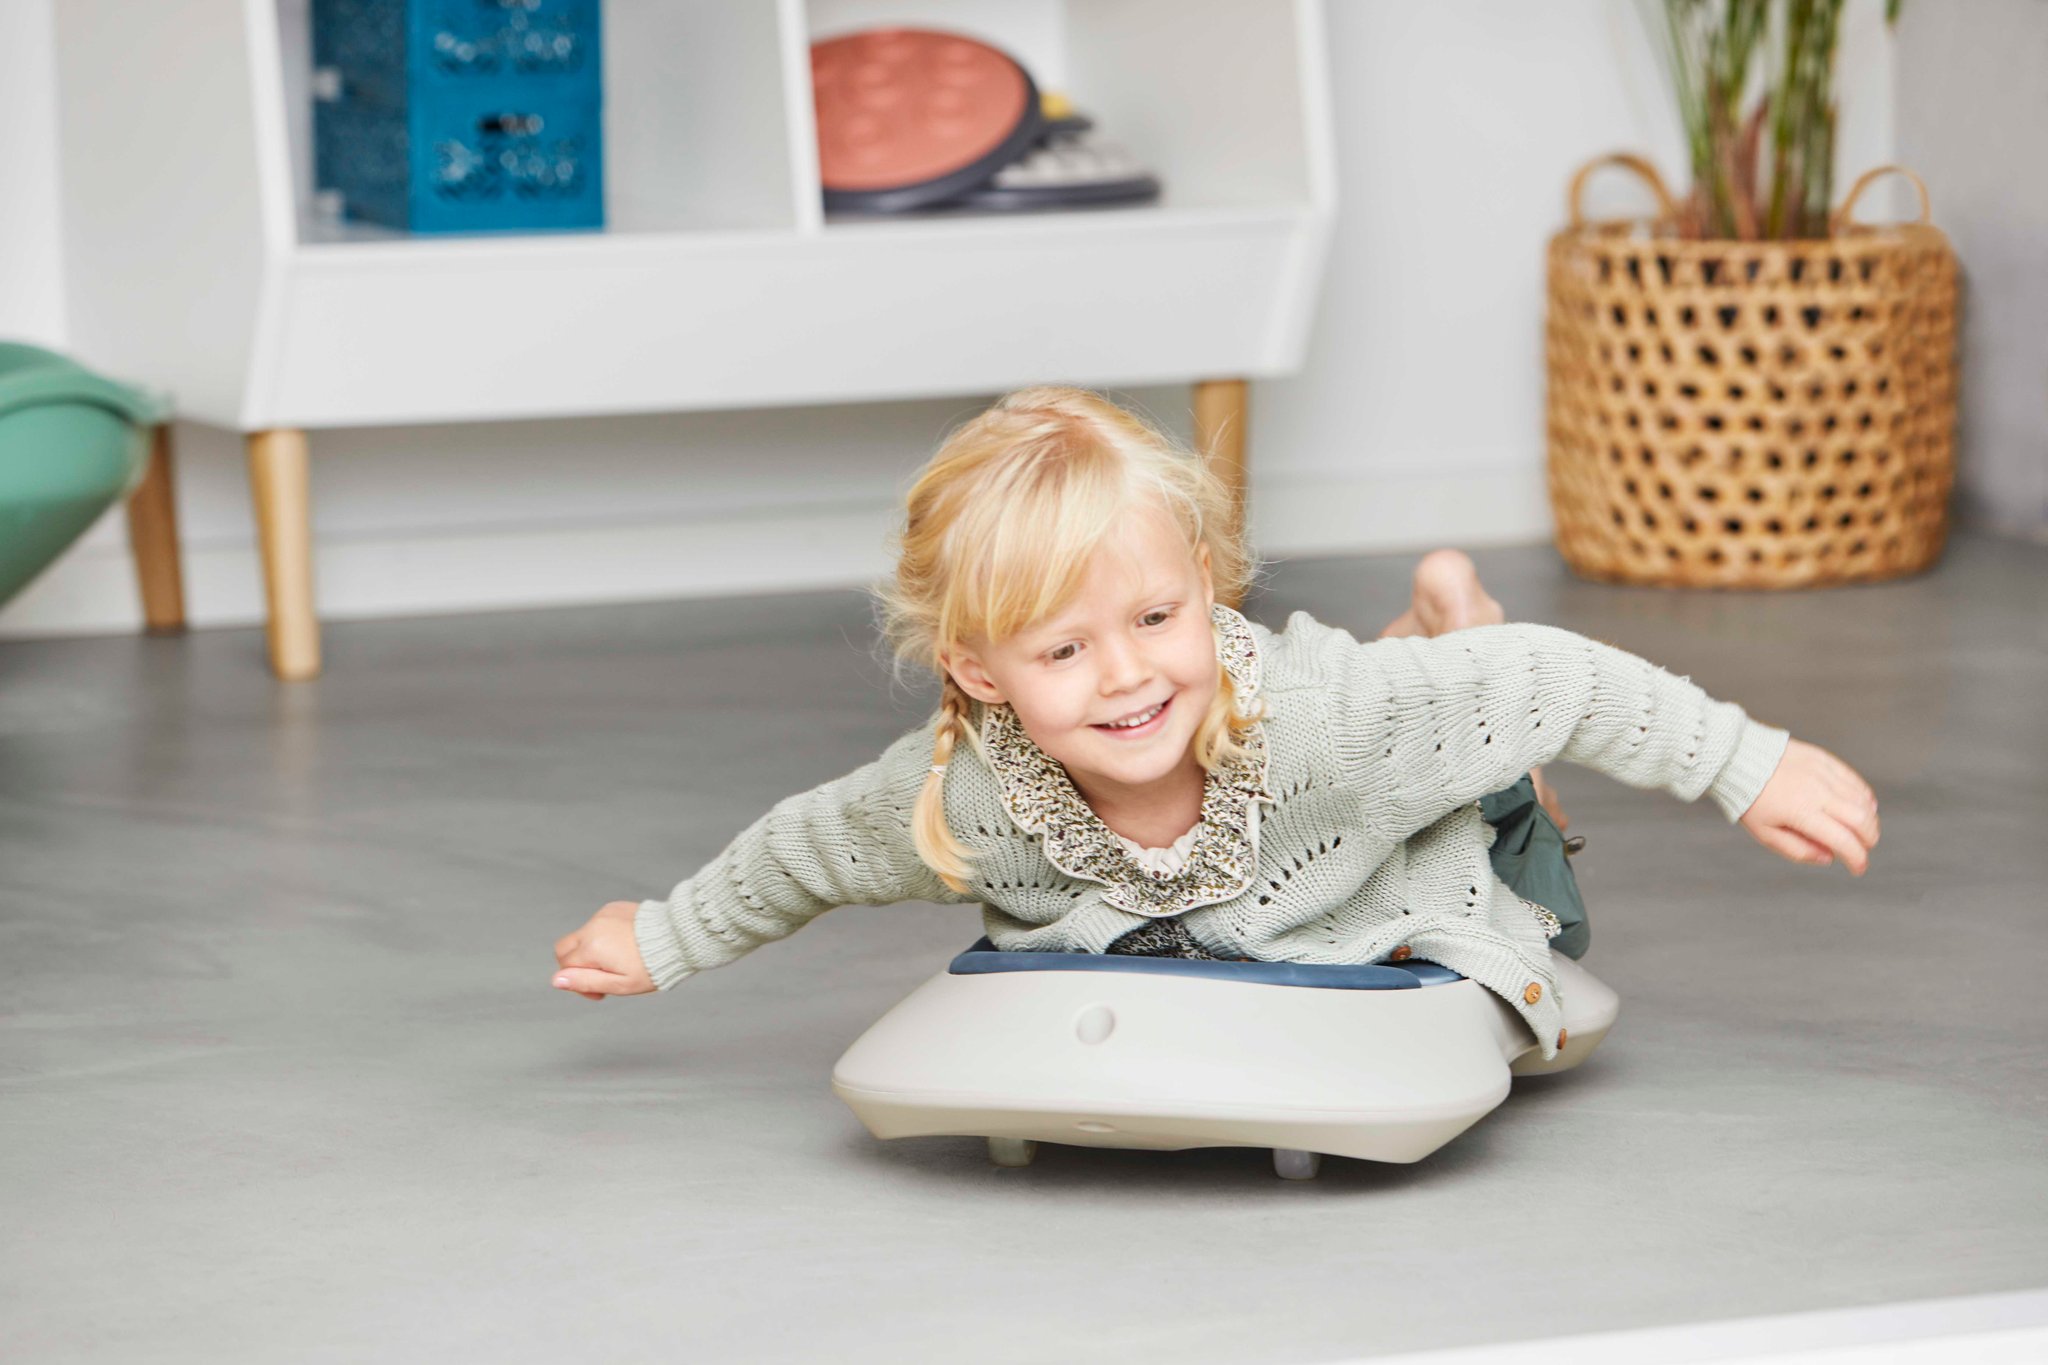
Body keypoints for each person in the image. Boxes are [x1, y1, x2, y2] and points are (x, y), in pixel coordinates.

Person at [550, 388, 1879, 1060]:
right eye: (1065, 649)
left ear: (1207, 582)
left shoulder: (1330, 723)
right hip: (1340, 754)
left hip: (1392, 845)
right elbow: (807, 850)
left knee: (1502, 789)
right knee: (1426, 710)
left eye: (1155, 619)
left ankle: (1449, 629)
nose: (1127, 677)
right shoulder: (965, 800)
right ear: (980, 672)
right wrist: (662, 933)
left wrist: (1747, 762)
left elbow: (1560, 678)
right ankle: (1436, 625)